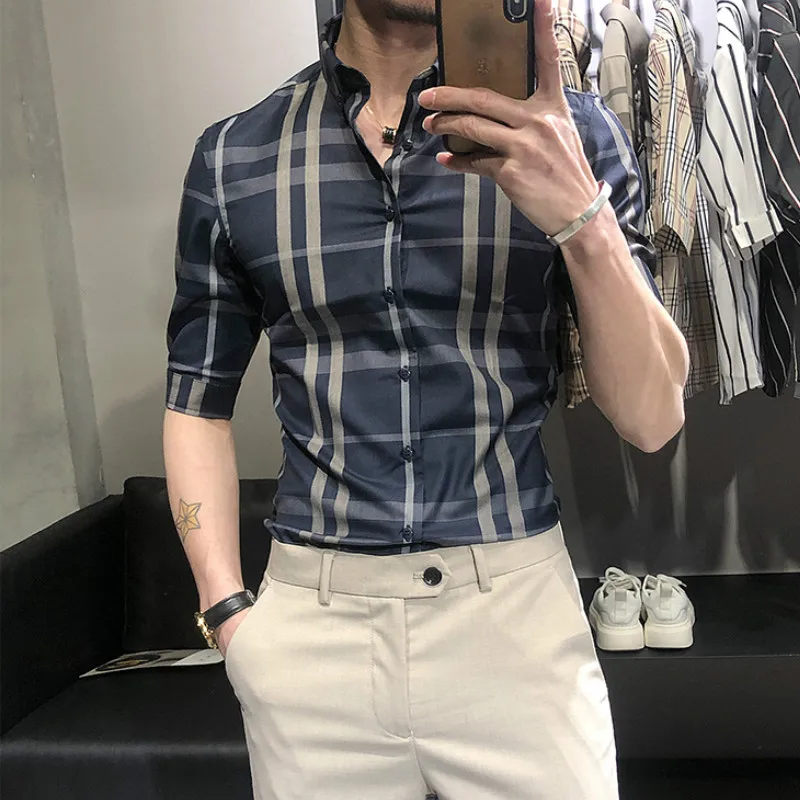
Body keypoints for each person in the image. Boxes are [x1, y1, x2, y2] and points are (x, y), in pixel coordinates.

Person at [162, 1, 690, 798]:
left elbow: (652, 419)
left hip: (516, 623)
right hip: (311, 631)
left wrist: (582, 219)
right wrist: (226, 611)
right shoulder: (237, 157)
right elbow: (197, 403)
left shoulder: (566, 137)